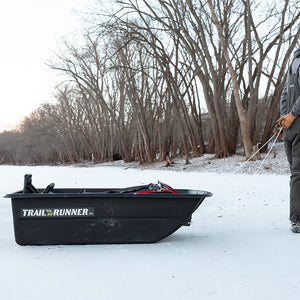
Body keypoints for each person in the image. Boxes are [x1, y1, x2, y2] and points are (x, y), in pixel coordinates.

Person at [277, 46, 300, 233]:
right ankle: (297, 219)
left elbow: (284, 95)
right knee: (298, 174)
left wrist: (286, 115)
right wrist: (290, 115)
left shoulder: (293, 63)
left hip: (290, 127)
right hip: (296, 125)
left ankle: (296, 218)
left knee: (296, 173)